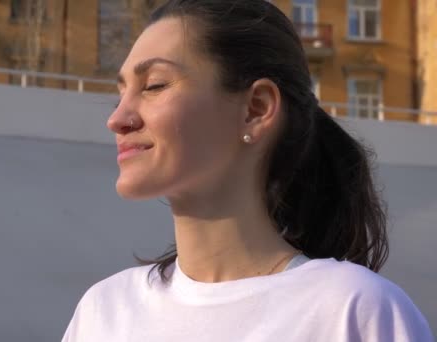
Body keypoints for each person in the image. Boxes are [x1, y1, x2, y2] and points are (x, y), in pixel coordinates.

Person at [62, 0, 434, 340]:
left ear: (256, 108)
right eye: (121, 93)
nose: (117, 119)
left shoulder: (353, 312)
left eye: (154, 85)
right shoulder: (104, 311)